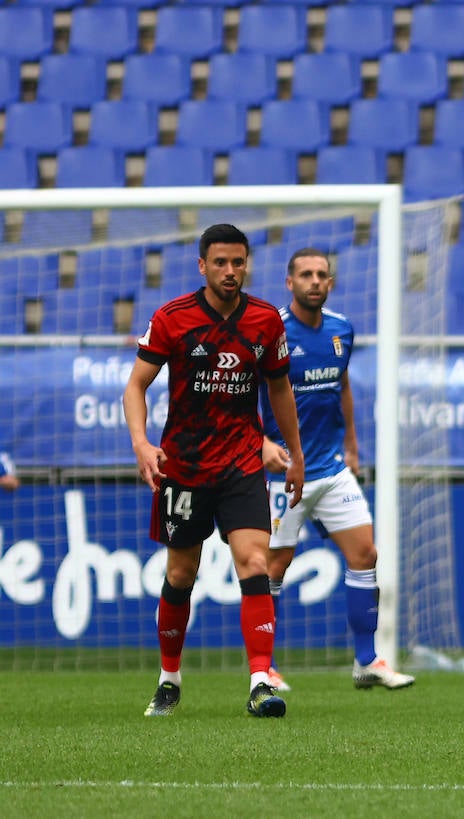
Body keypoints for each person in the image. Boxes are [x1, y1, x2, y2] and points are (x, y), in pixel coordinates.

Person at [124, 223, 306, 718]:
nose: (231, 271)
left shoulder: (266, 320)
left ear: (247, 264)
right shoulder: (172, 318)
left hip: (242, 462)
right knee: (182, 573)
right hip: (183, 467)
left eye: (238, 262)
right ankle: (168, 679)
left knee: (253, 561)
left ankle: (260, 683)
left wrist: (294, 451)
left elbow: (280, 390)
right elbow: (136, 386)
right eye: (220, 263)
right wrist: (142, 444)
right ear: (202, 266)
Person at [259, 248, 414, 692]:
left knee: (365, 554)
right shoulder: (273, 333)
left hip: (330, 466)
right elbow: (247, 393)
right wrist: (264, 442)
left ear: (331, 283)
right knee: (275, 566)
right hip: (283, 472)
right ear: (289, 283)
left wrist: (351, 444)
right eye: (305, 274)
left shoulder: (342, 329)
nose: (314, 281)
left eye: (321, 275)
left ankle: (366, 660)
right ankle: (264, 668)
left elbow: (341, 384)